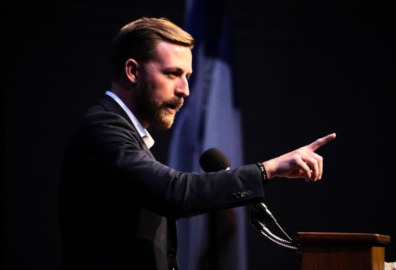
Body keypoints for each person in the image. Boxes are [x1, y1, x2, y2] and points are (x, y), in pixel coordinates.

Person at [58, 16, 337, 270]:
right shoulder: (103, 128)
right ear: (133, 71)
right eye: (172, 74)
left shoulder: (124, 132)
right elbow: (173, 192)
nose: (185, 91)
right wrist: (267, 169)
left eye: (188, 77)